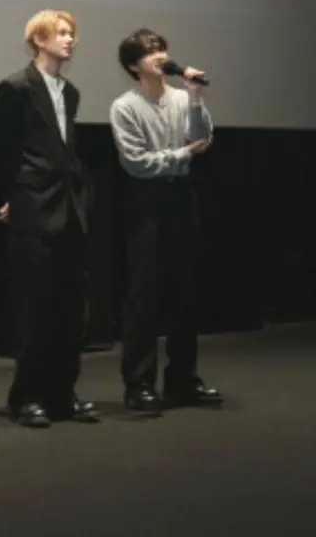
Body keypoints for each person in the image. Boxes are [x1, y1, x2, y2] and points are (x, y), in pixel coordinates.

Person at [0, 10, 98, 429]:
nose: (70, 40)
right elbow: (0, 148)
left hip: (69, 206)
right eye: (61, 33)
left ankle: (62, 393)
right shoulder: (15, 87)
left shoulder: (70, 92)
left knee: (70, 305)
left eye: (72, 33)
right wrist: (13, 195)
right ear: (39, 39)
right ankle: (27, 396)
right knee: (34, 306)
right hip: (33, 204)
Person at [109, 28, 222, 414]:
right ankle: (139, 384)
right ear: (132, 65)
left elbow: (204, 139)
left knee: (185, 292)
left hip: (181, 198)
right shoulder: (125, 107)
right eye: (149, 52)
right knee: (143, 293)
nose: (159, 55)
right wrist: (181, 154)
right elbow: (136, 163)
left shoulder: (181, 98)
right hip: (146, 201)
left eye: (161, 48)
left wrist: (195, 96)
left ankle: (183, 379)